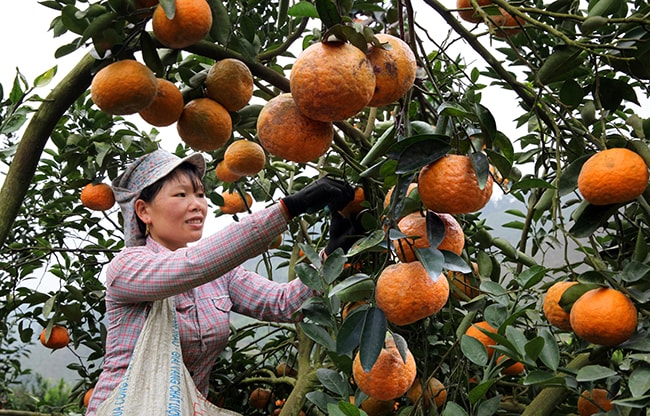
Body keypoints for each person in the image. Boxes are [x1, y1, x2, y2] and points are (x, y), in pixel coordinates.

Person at [85, 149, 356, 415]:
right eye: (181, 194)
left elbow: (285, 305)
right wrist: (289, 207)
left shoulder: (220, 274)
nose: (197, 204)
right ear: (144, 211)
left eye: (200, 194)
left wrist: (331, 255)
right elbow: (190, 266)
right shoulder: (126, 269)